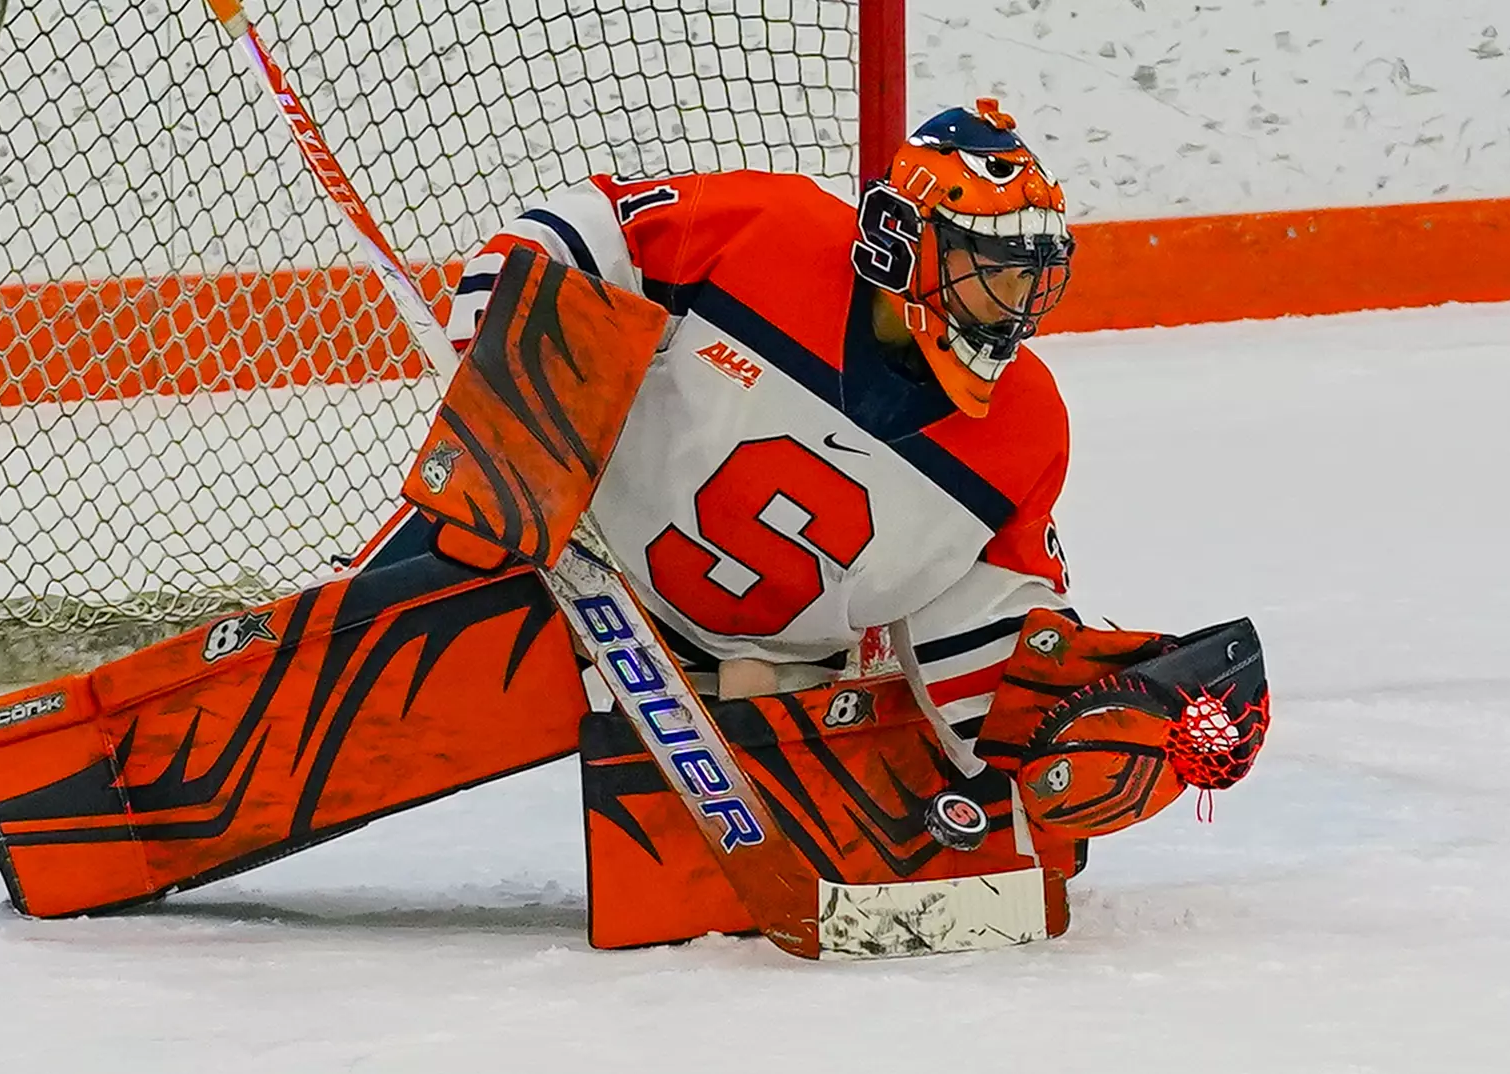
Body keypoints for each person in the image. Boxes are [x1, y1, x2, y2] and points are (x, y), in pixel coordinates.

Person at [442, 98, 1076, 737]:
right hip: (571, 585)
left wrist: (1061, 732)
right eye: (995, 267)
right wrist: (504, 333)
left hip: (794, 694)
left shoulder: (1028, 426)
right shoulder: (763, 232)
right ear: (902, 242)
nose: (1017, 301)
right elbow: (589, 232)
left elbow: (998, 646)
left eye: (1031, 274)